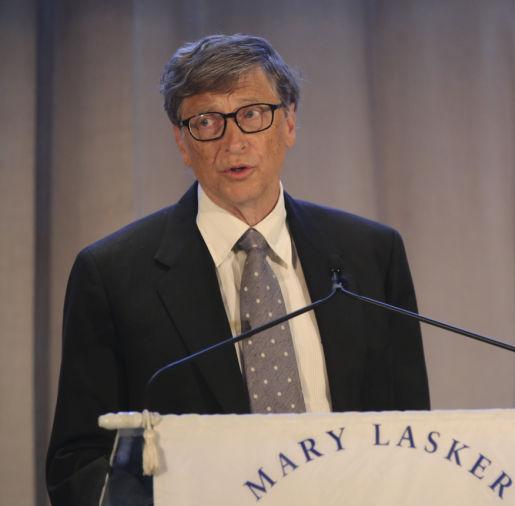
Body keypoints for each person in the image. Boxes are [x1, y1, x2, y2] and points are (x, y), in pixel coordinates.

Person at [46, 34, 429, 505]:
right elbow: (79, 464)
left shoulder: (372, 254)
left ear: (288, 122)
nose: (233, 142)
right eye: (207, 122)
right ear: (182, 142)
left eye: (251, 115)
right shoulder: (112, 275)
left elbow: (411, 433)